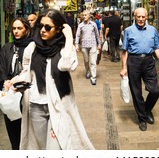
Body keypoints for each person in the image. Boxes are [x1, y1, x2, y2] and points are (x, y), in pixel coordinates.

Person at [5, 9, 94, 150]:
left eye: (48, 27)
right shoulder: (32, 47)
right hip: (35, 105)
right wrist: (15, 81)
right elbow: (27, 72)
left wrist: (69, 35)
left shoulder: (64, 47)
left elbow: (67, 65)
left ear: (58, 29)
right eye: (41, 26)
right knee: (41, 147)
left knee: (56, 147)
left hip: (58, 104)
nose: (43, 30)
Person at [120, 7, 159, 131]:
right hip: (133, 62)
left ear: (146, 17)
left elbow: (157, 48)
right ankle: (142, 118)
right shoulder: (128, 31)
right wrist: (124, 67)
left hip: (149, 61)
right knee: (136, 92)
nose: (140, 19)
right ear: (134, 17)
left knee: (155, 91)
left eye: (143, 17)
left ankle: (146, 109)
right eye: (138, 16)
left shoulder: (153, 30)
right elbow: (125, 51)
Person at [0, 17, 32, 149]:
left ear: (26, 30)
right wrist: (6, 82)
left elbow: (31, 70)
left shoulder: (32, 47)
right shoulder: (7, 47)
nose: (16, 31)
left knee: (28, 133)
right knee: (13, 132)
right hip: (10, 94)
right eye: (14, 28)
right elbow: (2, 67)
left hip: (27, 93)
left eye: (20, 28)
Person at [75, 10, 101, 85]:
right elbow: (77, 35)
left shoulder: (93, 24)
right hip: (84, 46)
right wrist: (76, 45)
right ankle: (87, 71)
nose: (84, 16)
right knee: (86, 61)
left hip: (93, 45)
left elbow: (97, 35)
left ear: (89, 16)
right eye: (83, 15)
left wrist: (99, 44)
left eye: (85, 15)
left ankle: (93, 77)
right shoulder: (80, 25)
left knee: (93, 62)